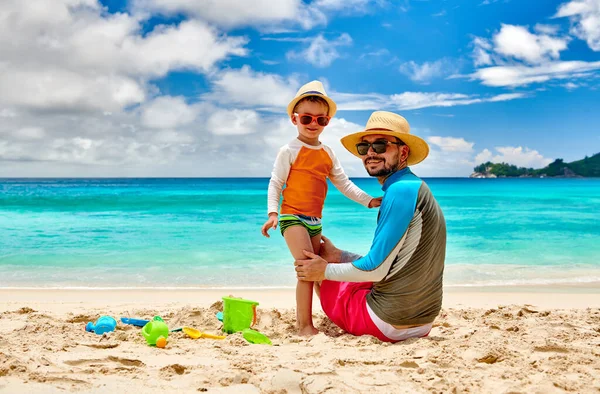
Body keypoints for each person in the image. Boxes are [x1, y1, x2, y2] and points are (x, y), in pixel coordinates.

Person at [294, 111, 446, 343]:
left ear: (403, 151)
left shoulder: (399, 191)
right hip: (422, 322)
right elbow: (394, 263)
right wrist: (339, 255)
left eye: (380, 145)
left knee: (315, 266)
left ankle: (305, 325)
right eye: (365, 148)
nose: (371, 153)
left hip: (387, 323)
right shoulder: (415, 187)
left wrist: (322, 271)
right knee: (332, 260)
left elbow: (375, 270)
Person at [261, 81, 381, 336]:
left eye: (320, 119)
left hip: (315, 221)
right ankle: (304, 326)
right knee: (306, 269)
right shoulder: (289, 150)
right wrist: (273, 213)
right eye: (306, 118)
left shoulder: (328, 153)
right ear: (295, 119)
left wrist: (369, 200)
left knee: (318, 271)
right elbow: (276, 182)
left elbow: (344, 184)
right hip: (292, 217)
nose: (313, 123)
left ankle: (333, 312)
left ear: (326, 121)